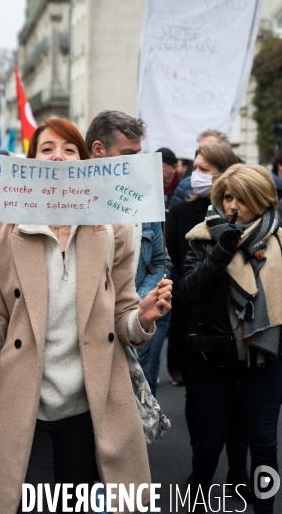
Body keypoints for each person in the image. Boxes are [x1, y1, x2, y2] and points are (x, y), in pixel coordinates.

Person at [0, 118, 173, 514]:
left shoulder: (113, 230)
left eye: (68, 149)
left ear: (84, 161)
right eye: (46, 150)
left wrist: (144, 318)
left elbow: (124, 322)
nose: (57, 158)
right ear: (31, 163)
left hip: (93, 410)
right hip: (22, 412)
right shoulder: (1, 234)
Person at [179, 163, 282, 514]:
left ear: (261, 201)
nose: (231, 205)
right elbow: (189, 294)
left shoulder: (279, 239)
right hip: (215, 356)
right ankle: (193, 504)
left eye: (241, 198)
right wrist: (221, 253)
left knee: (266, 446)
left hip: (265, 357)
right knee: (209, 444)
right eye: (227, 197)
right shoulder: (203, 236)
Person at [166, 145, 252, 501]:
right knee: (208, 428)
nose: (194, 174)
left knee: (243, 424)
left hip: (248, 343)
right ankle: (198, 487)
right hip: (200, 331)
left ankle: (237, 475)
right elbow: (182, 275)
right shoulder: (190, 220)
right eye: (194, 167)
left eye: (204, 168)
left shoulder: (263, 233)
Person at [85, 110, 172, 396]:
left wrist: (138, 304)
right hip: (83, 330)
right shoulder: (71, 202)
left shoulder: (142, 201)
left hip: (133, 324)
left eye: (139, 154)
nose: (138, 163)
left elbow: (161, 262)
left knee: (133, 409)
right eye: (128, 154)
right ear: (98, 150)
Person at [168, 129, 230, 208]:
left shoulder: (241, 184)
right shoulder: (184, 186)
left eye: (210, 149)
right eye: (200, 149)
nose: (202, 153)